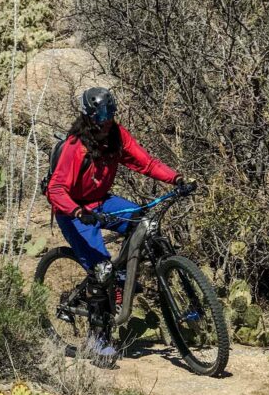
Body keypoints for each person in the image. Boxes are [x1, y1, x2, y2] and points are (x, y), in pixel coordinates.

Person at [46, 87, 192, 357]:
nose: (106, 121)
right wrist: (78, 212)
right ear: (89, 117)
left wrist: (176, 178)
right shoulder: (75, 147)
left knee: (143, 222)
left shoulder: (117, 136)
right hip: (74, 211)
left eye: (110, 114)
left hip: (102, 201)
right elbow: (55, 190)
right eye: (101, 116)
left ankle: (122, 274)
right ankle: (96, 340)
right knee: (101, 269)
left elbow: (146, 163)